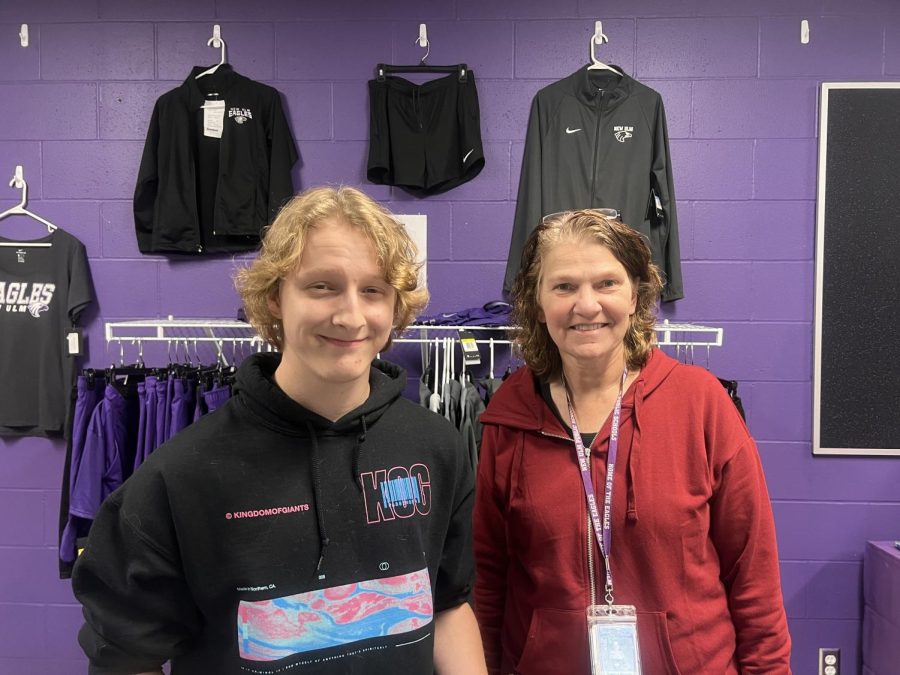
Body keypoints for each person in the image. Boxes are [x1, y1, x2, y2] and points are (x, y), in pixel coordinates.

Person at [72, 186, 487, 675]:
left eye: (373, 290)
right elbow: (125, 659)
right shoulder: (181, 478)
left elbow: (448, 605)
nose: (351, 315)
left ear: (395, 306)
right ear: (274, 298)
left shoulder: (437, 447)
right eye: (322, 286)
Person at [473, 210, 791, 674]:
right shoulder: (510, 417)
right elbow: (489, 583)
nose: (586, 305)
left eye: (607, 283)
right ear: (537, 302)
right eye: (563, 287)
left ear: (636, 295)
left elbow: (754, 580)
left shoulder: (701, 405)